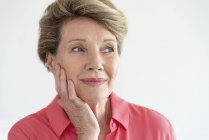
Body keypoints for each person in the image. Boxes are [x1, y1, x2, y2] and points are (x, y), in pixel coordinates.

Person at [8, 0, 176, 140]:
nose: (96, 63)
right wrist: (87, 133)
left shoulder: (156, 129)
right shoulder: (26, 134)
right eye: (78, 49)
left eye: (108, 49)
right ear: (51, 60)